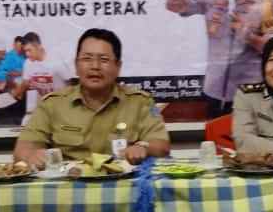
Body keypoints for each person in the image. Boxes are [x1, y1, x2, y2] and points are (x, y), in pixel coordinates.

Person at [14, 29, 170, 166]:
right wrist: (30, 155)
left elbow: (161, 144)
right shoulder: (52, 104)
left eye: (104, 60)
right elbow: (22, 149)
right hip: (69, 184)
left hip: (126, 185)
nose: (95, 66)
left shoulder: (140, 102)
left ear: (118, 67)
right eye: (87, 59)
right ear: (76, 65)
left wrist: (144, 147)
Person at [166, 0, 273, 118]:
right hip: (214, 92)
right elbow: (173, 4)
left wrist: (248, 35)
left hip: (251, 95)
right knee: (216, 136)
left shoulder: (264, 3)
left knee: (250, 137)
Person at [13, 32, 73, 125]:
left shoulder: (57, 62)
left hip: (62, 108)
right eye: (25, 51)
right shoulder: (28, 63)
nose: (27, 54)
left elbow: (73, 85)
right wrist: (11, 96)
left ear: (39, 46)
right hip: (43, 109)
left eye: (29, 50)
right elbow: (24, 84)